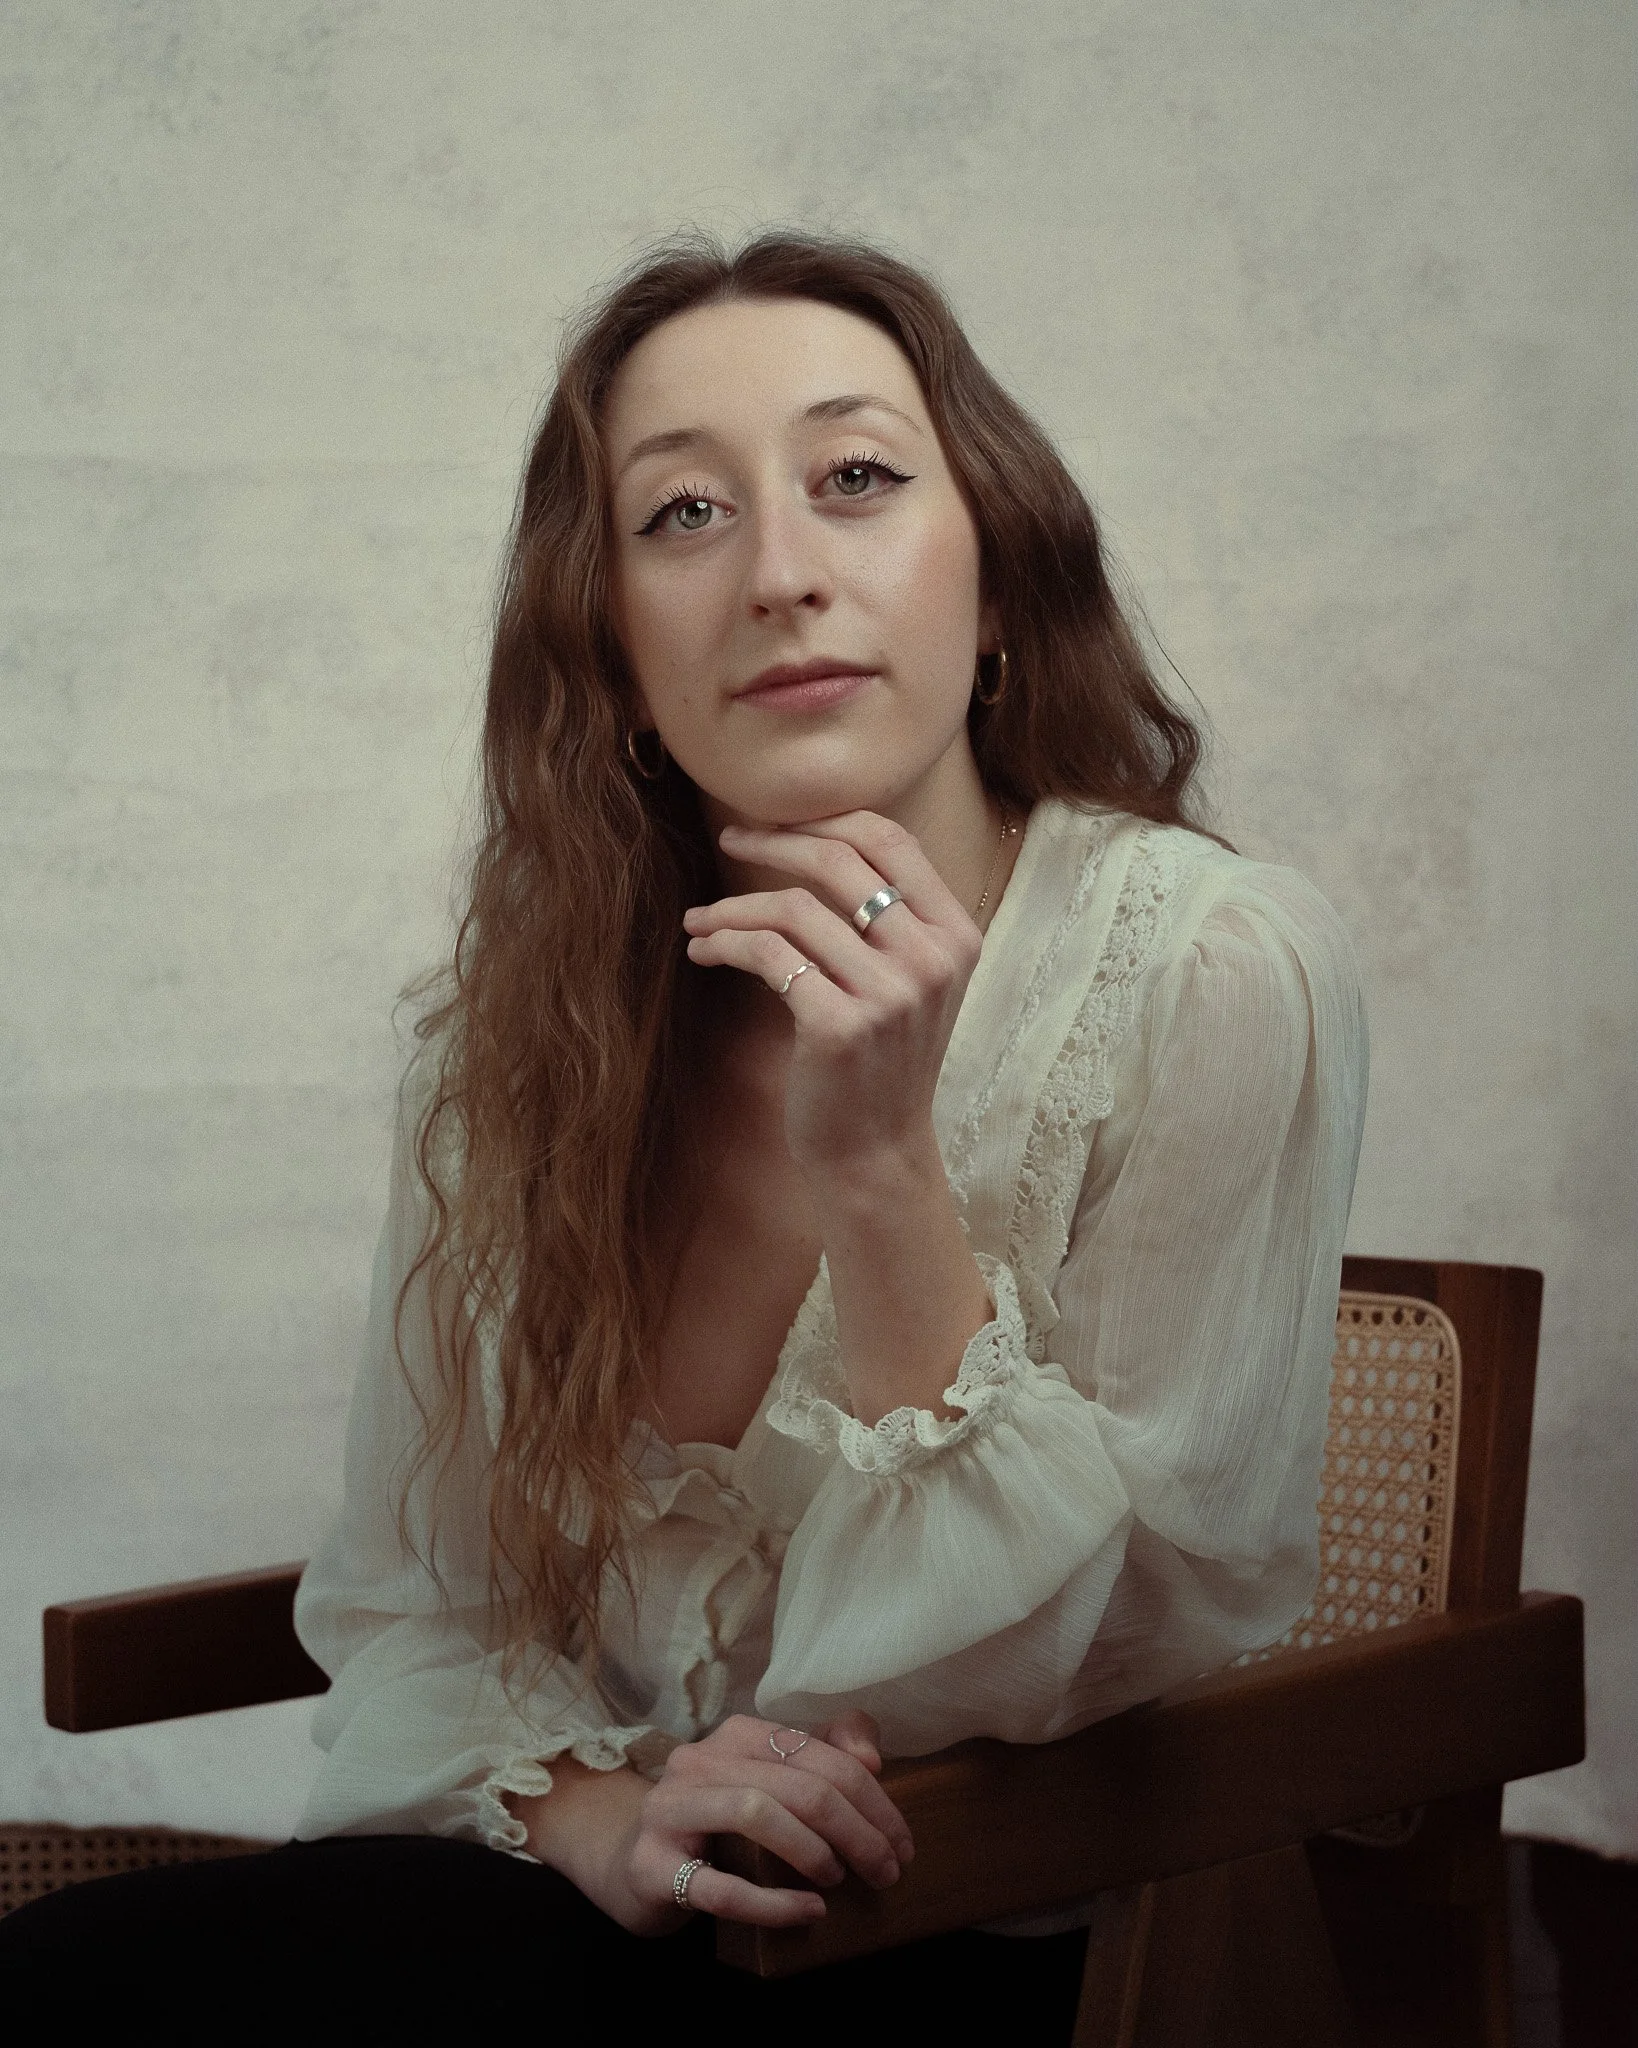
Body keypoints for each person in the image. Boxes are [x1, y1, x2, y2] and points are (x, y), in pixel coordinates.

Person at [0, 232, 1367, 2038]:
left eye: (857, 479)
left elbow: (1046, 1684)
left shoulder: (1208, 966)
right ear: (619, 662)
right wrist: (601, 1820)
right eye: (683, 517)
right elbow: (426, 1604)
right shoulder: (519, 1036)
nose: (783, 576)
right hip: (575, 1915)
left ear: (1003, 589)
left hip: (980, 1943)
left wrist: (882, 1172)